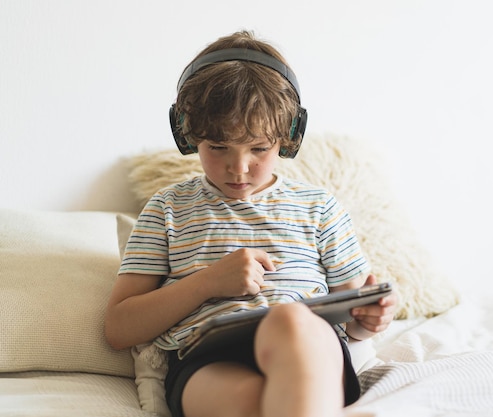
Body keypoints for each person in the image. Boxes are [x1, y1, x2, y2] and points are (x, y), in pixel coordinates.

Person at [105, 30, 396, 417]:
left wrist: (371, 320)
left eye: (259, 148)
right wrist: (208, 282)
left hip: (309, 348)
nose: (238, 168)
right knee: (262, 404)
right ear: (187, 135)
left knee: (291, 320)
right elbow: (119, 328)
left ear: (289, 136)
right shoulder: (167, 209)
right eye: (218, 147)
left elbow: (353, 317)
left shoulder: (319, 207)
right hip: (209, 360)